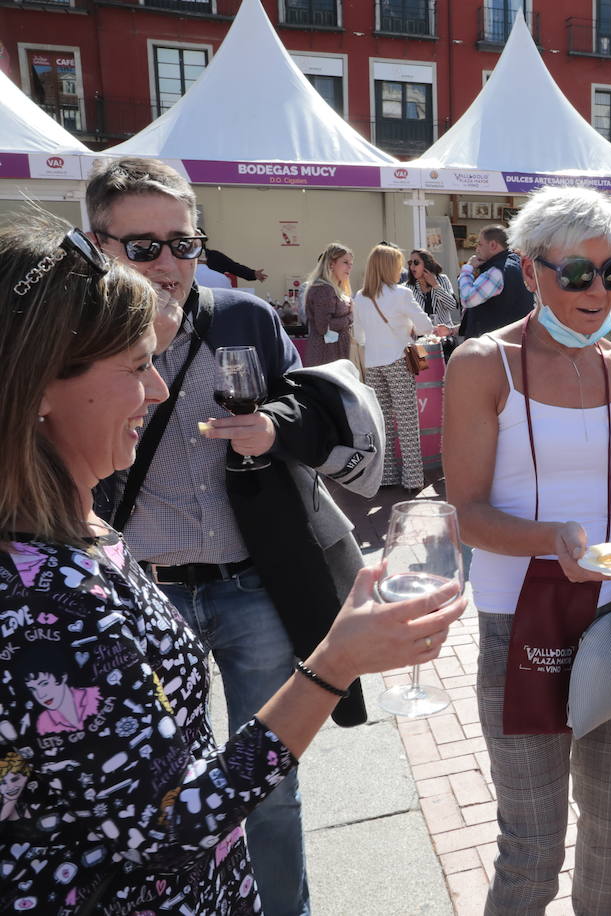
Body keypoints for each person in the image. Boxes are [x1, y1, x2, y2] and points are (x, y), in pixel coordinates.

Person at [0, 214, 464, 914]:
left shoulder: (75, 528)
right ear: (37, 387)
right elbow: (171, 825)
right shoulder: (46, 601)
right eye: (135, 367)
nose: (157, 391)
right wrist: (335, 661)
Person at [84, 157, 374, 916]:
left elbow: (308, 407)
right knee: (164, 798)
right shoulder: (74, 337)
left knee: (270, 786)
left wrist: (270, 427)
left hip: (251, 582)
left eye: (183, 243)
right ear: (97, 245)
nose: (169, 263)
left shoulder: (242, 316)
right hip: (141, 596)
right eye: (142, 247)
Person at [443, 186, 611, 913]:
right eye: (576, 273)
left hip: (608, 622)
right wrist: (550, 541)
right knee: (532, 846)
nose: (598, 290)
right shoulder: (484, 363)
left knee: (610, 825)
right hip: (519, 626)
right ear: (528, 270)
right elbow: (466, 513)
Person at [353, 244, 438, 493]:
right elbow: (425, 326)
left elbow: (358, 335)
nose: (402, 268)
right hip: (398, 360)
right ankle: (412, 480)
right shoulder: (401, 294)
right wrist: (406, 327)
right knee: (407, 421)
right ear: (390, 266)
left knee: (384, 423)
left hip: (373, 363)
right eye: (399, 263)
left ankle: (386, 476)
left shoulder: (360, 296)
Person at [458, 225, 535, 339]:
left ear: (493, 245)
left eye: (480, 244)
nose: (477, 249)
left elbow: (467, 299)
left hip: (497, 346)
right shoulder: (516, 263)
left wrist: (467, 269)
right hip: (514, 340)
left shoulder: (497, 271)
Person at [302, 242, 354, 367]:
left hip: (334, 357)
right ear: (331, 264)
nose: (350, 267)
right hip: (327, 359)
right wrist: (350, 316)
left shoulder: (331, 288)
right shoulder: (324, 289)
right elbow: (323, 327)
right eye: (345, 262)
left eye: (351, 264)